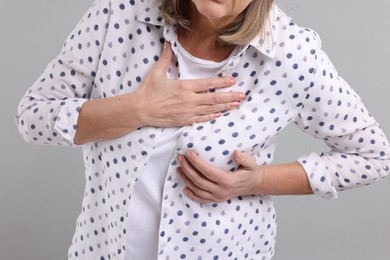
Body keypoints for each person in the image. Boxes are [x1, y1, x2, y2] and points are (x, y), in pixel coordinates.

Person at [15, 0, 390, 259]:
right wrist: (139, 108)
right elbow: (33, 116)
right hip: (100, 250)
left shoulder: (290, 54)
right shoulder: (120, 12)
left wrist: (255, 181)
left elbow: (373, 156)